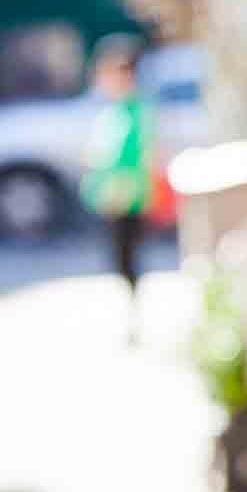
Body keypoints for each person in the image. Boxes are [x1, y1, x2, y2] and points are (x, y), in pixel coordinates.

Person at [82, 34, 151, 341]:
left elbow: (134, 158)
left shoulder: (134, 112)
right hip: (111, 198)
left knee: (127, 259)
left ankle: (133, 319)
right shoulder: (114, 111)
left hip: (126, 199)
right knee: (117, 259)